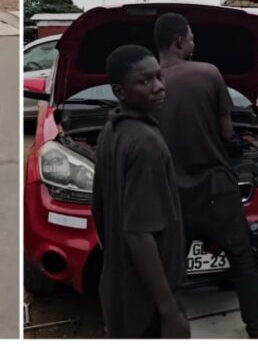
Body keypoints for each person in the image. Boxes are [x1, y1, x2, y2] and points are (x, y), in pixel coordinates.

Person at [155, 13, 258, 339]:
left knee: (173, 269)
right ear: (179, 40)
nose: (194, 43)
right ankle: (257, 328)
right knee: (242, 258)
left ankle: (175, 331)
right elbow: (226, 131)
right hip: (217, 187)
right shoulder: (208, 73)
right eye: (191, 37)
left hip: (171, 194)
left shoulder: (146, 82)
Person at [92, 45, 189, 339]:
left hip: (119, 282)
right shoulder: (146, 144)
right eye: (144, 81)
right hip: (145, 299)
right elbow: (139, 233)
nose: (158, 87)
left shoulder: (111, 130)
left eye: (159, 76)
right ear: (120, 91)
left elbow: (100, 210)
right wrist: (169, 311)